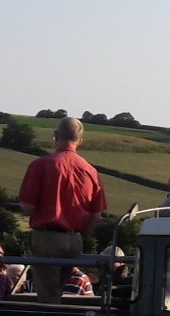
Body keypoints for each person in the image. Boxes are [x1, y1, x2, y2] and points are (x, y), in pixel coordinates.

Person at [19, 117, 107, 303]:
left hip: (47, 239)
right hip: (75, 241)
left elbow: (28, 207)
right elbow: (96, 216)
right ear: (80, 140)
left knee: (48, 297)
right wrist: (80, 235)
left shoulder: (41, 165)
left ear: (55, 136)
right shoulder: (91, 171)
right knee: (60, 292)